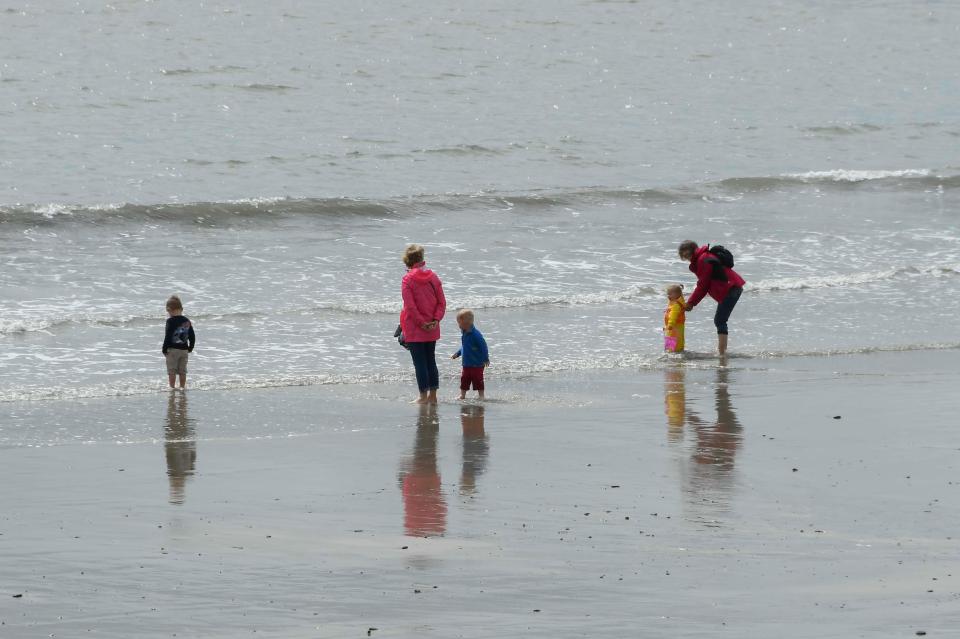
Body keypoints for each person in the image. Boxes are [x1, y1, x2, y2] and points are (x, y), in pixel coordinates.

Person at [677, 240, 745, 356]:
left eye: (685, 254)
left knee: (720, 320)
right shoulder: (702, 258)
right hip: (730, 287)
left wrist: (691, 303)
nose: (685, 257)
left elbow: (703, 285)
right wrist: (691, 301)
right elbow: (704, 284)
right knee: (720, 320)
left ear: (692, 249)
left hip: (730, 288)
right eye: (683, 255)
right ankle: (722, 351)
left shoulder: (703, 259)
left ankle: (722, 353)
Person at [400, 244, 447, 404]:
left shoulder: (407, 279)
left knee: (420, 363)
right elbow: (442, 303)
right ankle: (433, 396)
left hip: (415, 327)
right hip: (432, 326)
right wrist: (435, 320)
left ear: (407, 261)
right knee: (430, 361)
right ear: (422, 258)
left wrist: (421, 323)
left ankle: (422, 397)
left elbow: (410, 306)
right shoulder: (433, 277)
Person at [451, 308, 490, 400]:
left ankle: (481, 396)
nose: (458, 325)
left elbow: (483, 346)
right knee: (464, 379)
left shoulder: (476, 334)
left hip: (477, 364)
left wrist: (485, 358)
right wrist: (458, 353)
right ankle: (462, 395)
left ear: (466, 323)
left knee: (478, 380)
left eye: (459, 323)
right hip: (467, 363)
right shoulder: (464, 334)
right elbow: (464, 346)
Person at [162, 295, 196, 389]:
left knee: (171, 371)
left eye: (168, 311)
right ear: (181, 308)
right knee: (182, 371)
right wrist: (190, 347)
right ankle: (182, 387)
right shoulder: (186, 321)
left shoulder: (170, 321)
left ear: (169, 310)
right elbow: (192, 336)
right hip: (184, 351)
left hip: (172, 350)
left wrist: (164, 349)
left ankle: (172, 388)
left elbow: (168, 336)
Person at [663, 284, 686, 354]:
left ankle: (674, 353)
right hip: (674, 326)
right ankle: (674, 352)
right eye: (667, 294)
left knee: (674, 341)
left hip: (675, 326)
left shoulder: (676, 305)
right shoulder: (673, 303)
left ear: (677, 295)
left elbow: (673, 315)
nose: (668, 296)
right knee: (674, 340)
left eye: (670, 294)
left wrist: (670, 324)